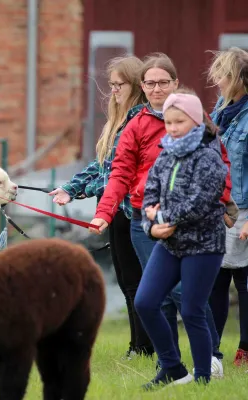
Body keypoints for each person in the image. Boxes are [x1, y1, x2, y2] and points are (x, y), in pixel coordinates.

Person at [87, 53, 230, 376]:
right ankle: (171, 364)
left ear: (175, 84)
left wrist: (224, 203)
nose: (155, 89)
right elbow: (122, 172)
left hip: (193, 223)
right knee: (156, 296)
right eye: (149, 83)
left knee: (186, 295)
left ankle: (211, 358)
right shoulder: (136, 124)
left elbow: (221, 165)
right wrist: (104, 213)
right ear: (143, 86)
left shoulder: (196, 119)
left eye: (163, 82)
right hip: (146, 221)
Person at [48, 55, 153, 359]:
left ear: (135, 86)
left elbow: (120, 175)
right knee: (125, 280)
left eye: (119, 84)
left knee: (135, 281)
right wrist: (71, 188)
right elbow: (102, 166)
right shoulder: (117, 122)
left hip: (127, 209)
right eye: (112, 85)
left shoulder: (139, 120)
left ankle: (144, 346)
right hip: (112, 210)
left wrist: (84, 193)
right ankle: (138, 345)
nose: (114, 91)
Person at [134, 92, 227, 388]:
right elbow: (150, 192)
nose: (172, 128)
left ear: (196, 120)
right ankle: (173, 369)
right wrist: (151, 226)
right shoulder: (166, 152)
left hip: (204, 245)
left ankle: (201, 380)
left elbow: (200, 202)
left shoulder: (209, 155)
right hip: (169, 243)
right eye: (169, 122)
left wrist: (162, 219)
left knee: (191, 310)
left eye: (179, 122)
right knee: (146, 302)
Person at [207, 47, 248, 367]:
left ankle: (246, 349)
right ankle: (212, 349)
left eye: (222, 74)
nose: (216, 80)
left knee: (245, 283)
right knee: (215, 280)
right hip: (217, 208)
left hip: (245, 210)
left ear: (237, 78)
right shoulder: (220, 109)